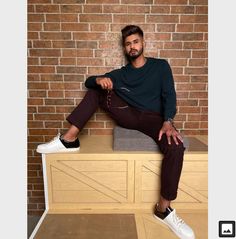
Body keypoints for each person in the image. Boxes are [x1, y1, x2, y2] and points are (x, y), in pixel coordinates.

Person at [36, 25, 195, 239]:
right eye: (128, 43)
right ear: (124, 47)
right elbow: (89, 81)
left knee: (176, 147)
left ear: (143, 42)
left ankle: (163, 209)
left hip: (154, 119)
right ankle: (69, 140)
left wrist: (168, 121)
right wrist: (99, 80)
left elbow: (169, 95)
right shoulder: (121, 74)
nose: (132, 46)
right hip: (128, 115)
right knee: (96, 90)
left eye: (135, 42)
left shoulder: (160, 67)